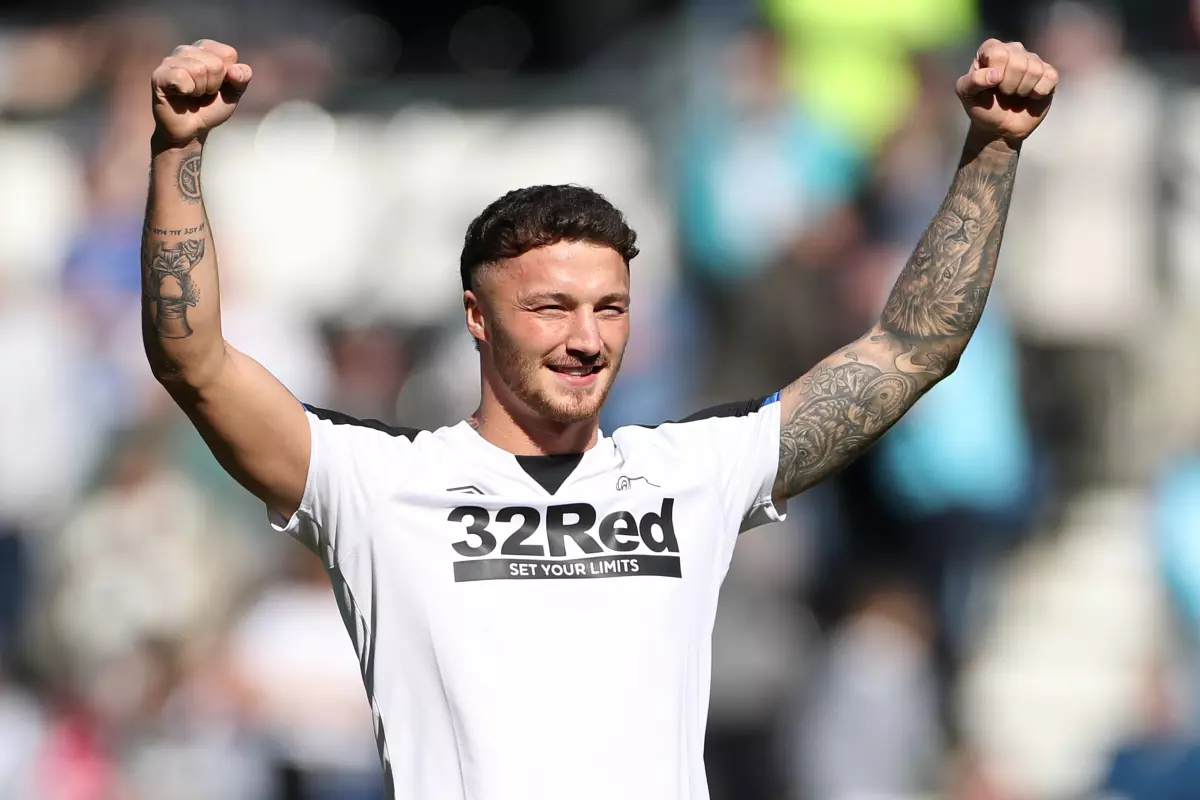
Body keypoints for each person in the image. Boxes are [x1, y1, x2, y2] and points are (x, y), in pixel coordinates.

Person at [140, 38, 1057, 800]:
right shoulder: (377, 484)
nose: (587, 339)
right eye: (550, 308)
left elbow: (910, 348)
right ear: (477, 317)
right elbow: (195, 361)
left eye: (610, 308)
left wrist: (992, 149)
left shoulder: (693, 471)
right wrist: (177, 152)